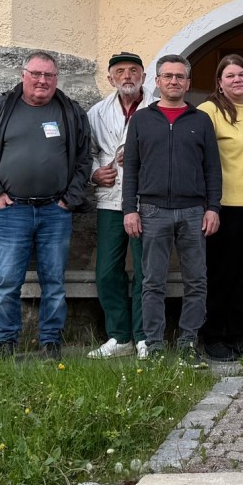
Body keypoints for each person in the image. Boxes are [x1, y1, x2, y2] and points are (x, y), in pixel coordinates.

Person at [0, 51, 92, 360]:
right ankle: (6, 343)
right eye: (36, 74)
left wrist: (70, 199)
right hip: (12, 210)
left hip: (56, 211)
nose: (42, 80)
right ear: (23, 75)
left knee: (54, 282)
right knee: (7, 281)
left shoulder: (70, 111)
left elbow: (84, 158)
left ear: (56, 79)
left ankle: (51, 343)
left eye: (49, 75)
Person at [122, 55, 221, 361]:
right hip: (152, 211)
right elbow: (131, 168)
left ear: (188, 83)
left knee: (196, 280)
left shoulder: (200, 120)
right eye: (168, 76)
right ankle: (154, 344)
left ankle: (188, 342)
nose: (174, 81)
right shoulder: (142, 120)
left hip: (193, 212)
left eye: (180, 77)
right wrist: (129, 209)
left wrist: (213, 207)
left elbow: (212, 169)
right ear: (157, 82)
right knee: (152, 281)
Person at [196, 53, 243, 360]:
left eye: (242, 74)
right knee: (221, 276)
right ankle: (213, 337)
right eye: (230, 75)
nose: (237, 80)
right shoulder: (208, 111)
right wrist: (209, 204)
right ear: (219, 82)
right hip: (225, 208)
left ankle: (238, 338)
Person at [86, 52, 146, 358]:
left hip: (146, 202)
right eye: (120, 71)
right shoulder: (97, 112)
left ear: (143, 77)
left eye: (133, 70)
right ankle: (120, 336)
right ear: (110, 79)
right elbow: (86, 152)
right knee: (107, 271)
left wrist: (139, 157)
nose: (127, 76)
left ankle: (145, 337)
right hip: (110, 200)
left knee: (146, 270)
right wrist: (95, 173)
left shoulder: (155, 108)